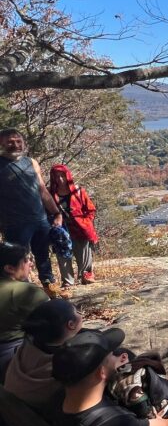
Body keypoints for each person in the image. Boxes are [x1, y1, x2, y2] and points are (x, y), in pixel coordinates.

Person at [0, 128, 65, 297]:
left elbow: (43, 190)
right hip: (14, 223)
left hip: (39, 218)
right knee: (17, 260)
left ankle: (50, 290)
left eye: (18, 141)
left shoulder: (31, 162)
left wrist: (57, 213)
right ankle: (25, 295)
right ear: (2, 143)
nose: (15, 145)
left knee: (43, 255)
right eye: (10, 142)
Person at [4, 299, 83, 417]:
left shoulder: (27, 347)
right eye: (78, 312)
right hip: (48, 422)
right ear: (71, 324)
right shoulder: (69, 363)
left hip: (19, 414)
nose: (81, 314)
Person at [0, 242, 49, 381]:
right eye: (26, 260)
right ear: (9, 268)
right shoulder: (23, 291)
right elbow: (60, 318)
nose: (31, 264)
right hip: (13, 358)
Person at [48, 164, 98, 286]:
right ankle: (67, 281)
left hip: (80, 228)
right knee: (62, 254)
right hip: (60, 229)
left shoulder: (78, 191)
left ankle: (86, 275)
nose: (60, 179)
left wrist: (86, 223)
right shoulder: (49, 193)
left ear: (67, 176)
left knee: (83, 251)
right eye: (56, 176)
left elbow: (90, 209)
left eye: (62, 176)